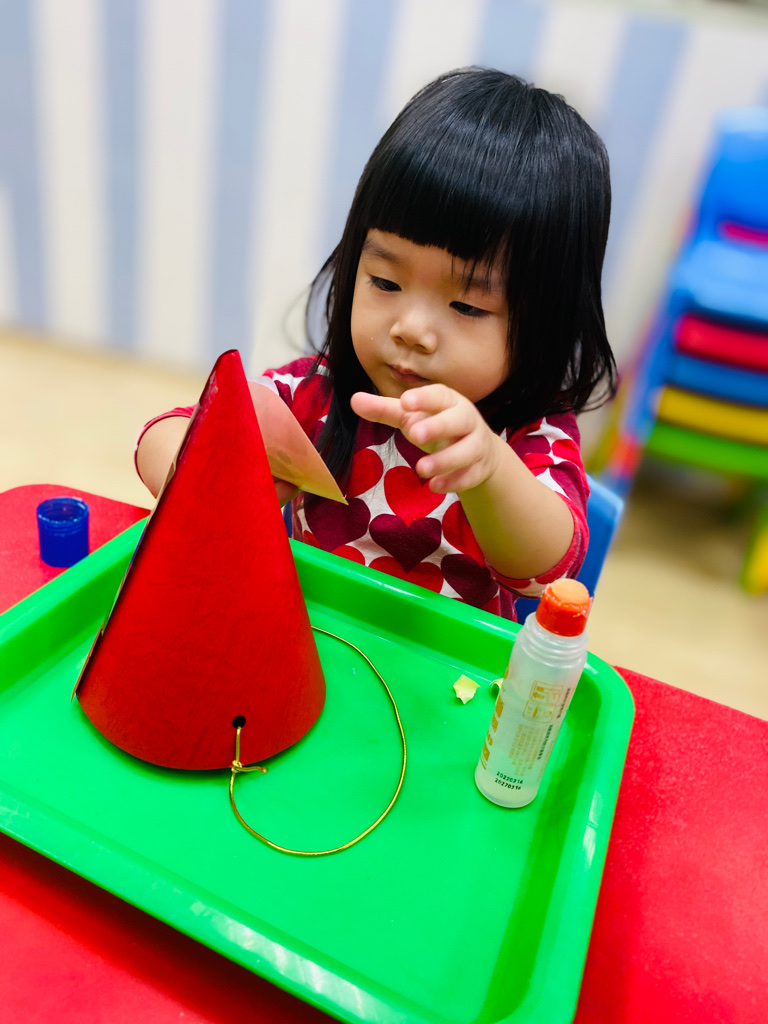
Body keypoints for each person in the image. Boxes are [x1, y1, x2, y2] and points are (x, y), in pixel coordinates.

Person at [136, 68, 617, 621]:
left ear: (546, 321)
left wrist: (488, 469)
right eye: (385, 282)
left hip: (445, 668)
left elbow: (547, 570)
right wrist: (216, 479)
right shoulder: (318, 393)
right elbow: (163, 434)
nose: (410, 328)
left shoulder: (533, 432)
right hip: (308, 641)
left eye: (467, 306)